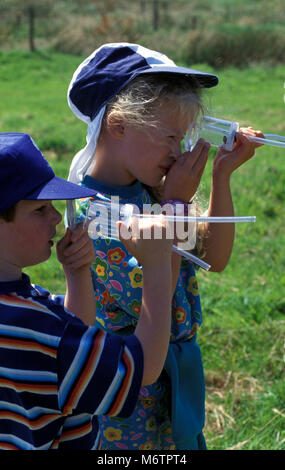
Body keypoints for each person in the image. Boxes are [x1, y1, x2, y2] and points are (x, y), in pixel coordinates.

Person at [66, 43, 264, 450]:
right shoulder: (96, 212)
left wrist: (221, 176)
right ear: (118, 124)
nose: (178, 152)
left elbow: (215, 257)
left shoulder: (151, 192)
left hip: (171, 386)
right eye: (171, 137)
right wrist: (174, 206)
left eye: (185, 137)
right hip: (128, 393)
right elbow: (150, 294)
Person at [0, 132, 174, 450]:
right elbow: (145, 367)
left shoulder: (23, 310)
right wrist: (158, 266)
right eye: (39, 210)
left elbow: (70, 338)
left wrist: (77, 275)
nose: (55, 217)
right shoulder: (41, 329)